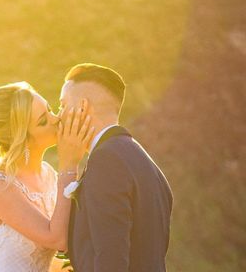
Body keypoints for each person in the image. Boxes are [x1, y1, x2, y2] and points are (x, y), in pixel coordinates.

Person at [0, 81, 94, 272]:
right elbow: (57, 239)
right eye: (43, 121)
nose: (55, 119)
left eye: (49, 109)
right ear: (21, 139)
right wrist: (69, 164)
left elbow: (40, 260)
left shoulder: (47, 174)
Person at [59, 63, 173, 272]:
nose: (59, 116)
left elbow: (111, 259)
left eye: (63, 105)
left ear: (82, 108)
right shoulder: (145, 162)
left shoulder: (107, 161)